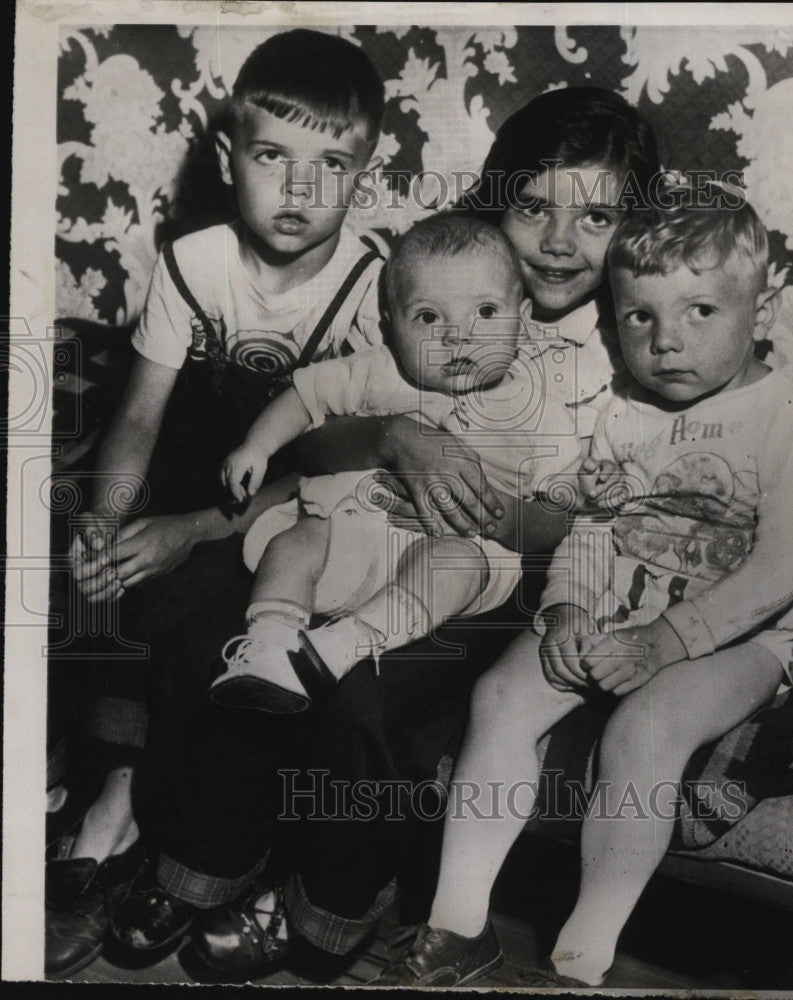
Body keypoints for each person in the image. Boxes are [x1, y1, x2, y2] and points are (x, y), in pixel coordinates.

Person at [111, 87, 662, 976]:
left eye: (595, 217)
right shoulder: (435, 274)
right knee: (228, 639)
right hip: (358, 519)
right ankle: (201, 867)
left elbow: (579, 524)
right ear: (497, 203)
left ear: (629, 227)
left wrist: (472, 496)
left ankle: (323, 911)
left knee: (368, 697)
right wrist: (399, 440)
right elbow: (326, 421)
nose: (559, 243)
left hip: (482, 573)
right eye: (532, 209)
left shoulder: (623, 344)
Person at [374, 190, 793, 987]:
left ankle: (581, 956)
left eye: (699, 311)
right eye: (637, 317)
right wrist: (568, 609)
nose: (664, 342)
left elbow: (781, 569)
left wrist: (662, 644)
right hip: (616, 609)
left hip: (739, 636)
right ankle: (457, 925)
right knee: (504, 695)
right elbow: (589, 525)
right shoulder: (620, 407)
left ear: (762, 308)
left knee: (645, 727)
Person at [46, 28, 386, 978]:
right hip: (195, 464)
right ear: (230, 153)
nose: (300, 190)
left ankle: (163, 831)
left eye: (332, 164)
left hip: (296, 505)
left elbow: (333, 476)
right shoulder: (195, 258)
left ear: (365, 171)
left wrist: (188, 530)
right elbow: (140, 414)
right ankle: (105, 792)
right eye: (274, 156)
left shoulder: (369, 289)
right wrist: (107, 523)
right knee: (79, 548)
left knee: (209, 608)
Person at [210, 214, 581, 714]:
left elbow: (559, 517)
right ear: (390, 324)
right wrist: (257, 446)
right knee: (294, 541)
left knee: (452, 565)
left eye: (486, 311)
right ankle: (269, 646)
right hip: (347, 537)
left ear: (523, 316)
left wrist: (498, 515)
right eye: (429, 318)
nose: (456, 337)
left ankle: (345, 646)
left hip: (449, 557)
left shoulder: (543, 417)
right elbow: (305, 395)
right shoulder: (382, 370)